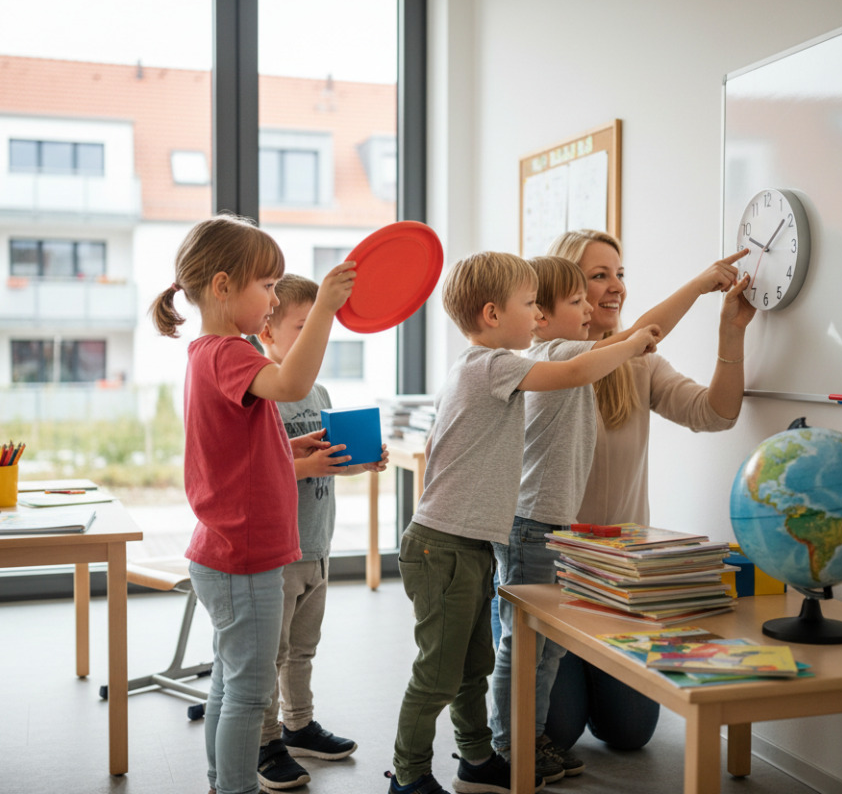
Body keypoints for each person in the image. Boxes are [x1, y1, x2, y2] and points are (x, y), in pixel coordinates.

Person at [386, 251, 659, 794]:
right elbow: (578, 370)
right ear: (492, 314)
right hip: (444, 546)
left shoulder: (481, 367)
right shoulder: (492, 364)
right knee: (438, 673)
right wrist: (631, 343)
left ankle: (476, 758)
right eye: (529, 304)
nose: (537, 317)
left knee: (472, 667)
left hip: (469, 543)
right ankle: (409, 773)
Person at [487, 252, 749, 781]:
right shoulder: (552, 360)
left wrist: (729, 331)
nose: (610, 290)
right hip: (551, 556)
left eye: (619, 275)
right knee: (549, 716)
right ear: (540, 308)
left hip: (617, 580)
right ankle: (513, 741)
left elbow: (716, 413)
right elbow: (641, 336)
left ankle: (536, 726)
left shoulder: (635, 362)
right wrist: (698, 283)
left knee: (630, 732)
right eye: (591, 281)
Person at [149, 214, 356, 794]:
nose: (272, 299)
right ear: (221, 287)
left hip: (224, 550)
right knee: (247, 691)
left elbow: (240, 444)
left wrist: (289, 445)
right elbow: (292, 385)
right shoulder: (230, 352)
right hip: (245, 555)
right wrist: (324, 311)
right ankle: (236, 787)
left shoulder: (209, 354)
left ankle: (222, 781)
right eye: (266, 286)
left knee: (228, 683)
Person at [251, 274, 390, 790]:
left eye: (322, 326)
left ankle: (299, 725)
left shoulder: (321, 391)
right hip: (280, 552)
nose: (317, 336)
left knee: (303, 648)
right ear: (267, 331)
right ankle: (265, 741)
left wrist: (359, 463)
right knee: (274, 652)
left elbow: (321, 461)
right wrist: (312, 465)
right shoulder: (264, 392)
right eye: (304, 326)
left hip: (317, 544)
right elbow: (266, 471)